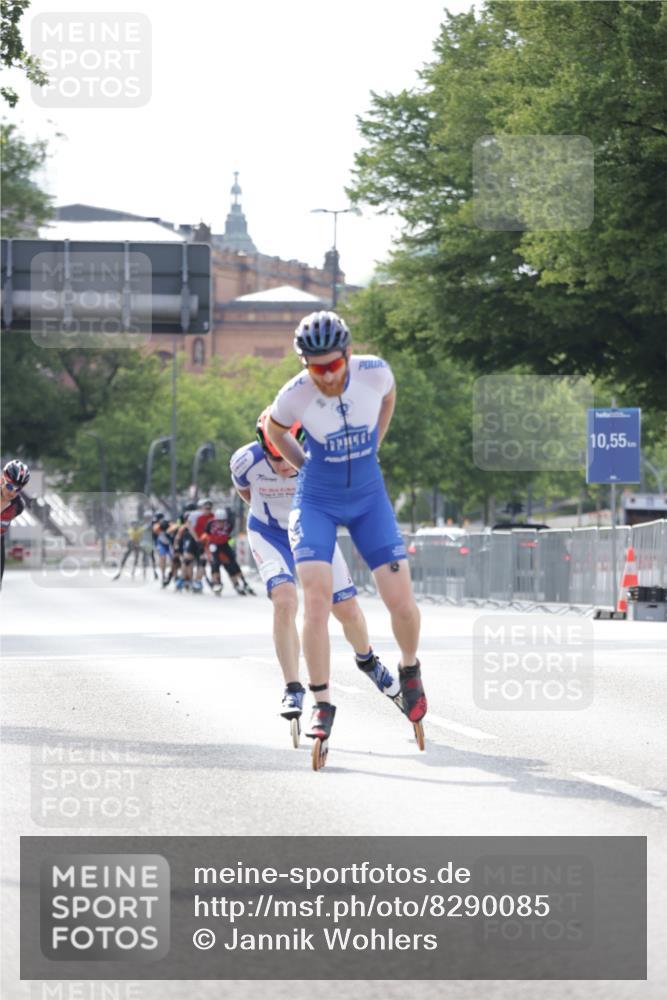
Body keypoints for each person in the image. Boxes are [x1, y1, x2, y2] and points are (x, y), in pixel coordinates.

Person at [267, 311, 427, 745]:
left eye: (333, 366)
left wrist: (375, 441)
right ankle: (322, 702)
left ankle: (409, 666)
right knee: (316, 601)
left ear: (349, 354)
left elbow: (390, 398)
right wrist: (304, 466)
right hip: (317, 498)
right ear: (304, 364)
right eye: (315, 369)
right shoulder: (295, 394)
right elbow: (273, 428)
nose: (326, 377)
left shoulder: (375, 373)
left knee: (402, 604)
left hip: (368, 498)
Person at [230, 408, 400, 729]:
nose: (281, 466)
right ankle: (293, 687)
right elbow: (245, 492)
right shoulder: (244, 461)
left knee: (346, 609)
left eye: (285, 458)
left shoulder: (322, 460)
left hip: (311, 530)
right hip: (268, 533)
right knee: (285, 600)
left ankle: (368, 659)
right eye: (273, 457)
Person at [200, 505, 255, 596]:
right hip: (214, 544)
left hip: (224, 544)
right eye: (219, 521)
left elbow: (229, 535)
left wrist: (229, 543)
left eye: (223, 521)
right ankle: (216, 583)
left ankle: (243, 582)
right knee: (215, 563)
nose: (221, 523)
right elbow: (206, 535)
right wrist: (203, 549)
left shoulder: (229, 524)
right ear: (215, 519)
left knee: (233, 563)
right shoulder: (210, 523)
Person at [1, 459, 30, 583]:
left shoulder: (18, 506)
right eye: (9, 486)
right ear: (2, 479)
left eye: (18, 489)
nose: (13, 492)